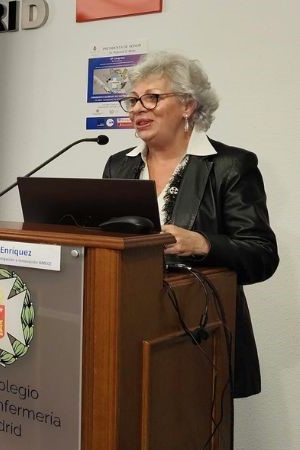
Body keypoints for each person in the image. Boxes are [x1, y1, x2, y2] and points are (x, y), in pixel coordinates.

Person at [103, 51, 278, 398]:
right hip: (128, 324)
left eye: (152, 97)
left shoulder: (231, 166)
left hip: (199, 332)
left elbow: (262, 255)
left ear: (188, 105)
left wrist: (203, 244)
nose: (137, 109)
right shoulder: (118, 166)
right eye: (133, 100)